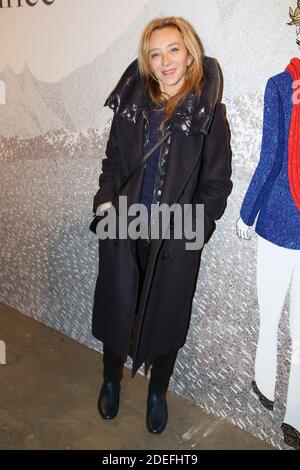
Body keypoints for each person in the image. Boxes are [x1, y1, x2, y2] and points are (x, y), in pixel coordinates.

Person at [91, 16, 232, 434]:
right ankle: (110, 381)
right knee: (118, 307)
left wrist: (196, 231)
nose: (165, 60)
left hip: (175, 235)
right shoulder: (132, 109)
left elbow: (216, 185)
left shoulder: (209, 116)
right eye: (155, 53)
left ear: (190, 53)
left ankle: (157, 393)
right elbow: (113, 163)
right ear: (147, 62)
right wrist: (104, 205)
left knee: (166, 317)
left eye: (173, 49)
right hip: (124, 227)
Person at [236, 3, 300, 450]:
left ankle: (266, 388)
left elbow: (272, 155)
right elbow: (274, 153)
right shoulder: (279, 87)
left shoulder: (280, 85)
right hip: (280, 217)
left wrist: (246, 212)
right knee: (287, 320)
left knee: (271, 313)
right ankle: (293, 416)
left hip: (278, 215)